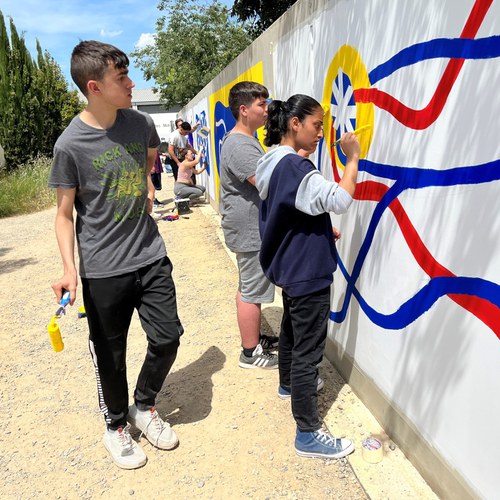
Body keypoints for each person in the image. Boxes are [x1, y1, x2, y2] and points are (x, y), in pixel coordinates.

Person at [48, 40, 183, 470]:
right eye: (121, 78)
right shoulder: (70, 145)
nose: (131, 83)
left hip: (150, 253)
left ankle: (144, 405)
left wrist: (143, 191)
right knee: (111, 354)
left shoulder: (140, 122)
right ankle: (116, 426)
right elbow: (65, 214)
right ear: (95, 86)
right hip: (104, 270)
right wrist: (70, 269)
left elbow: (147, 161)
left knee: (168, 337)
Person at [255, 94, 360, 459]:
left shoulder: (271, 162)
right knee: (308, 351)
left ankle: (287, 386)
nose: (321, 134)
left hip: (290, 265)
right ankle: (308, 433)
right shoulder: (296, 168)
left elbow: (288, 210)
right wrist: (352, 158)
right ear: (294, 123)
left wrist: (316, 227)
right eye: (317, 125)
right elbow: (342, 199)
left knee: (291, 331)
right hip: (307, 271)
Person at [220, 81, 279, 370]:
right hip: (249, 230)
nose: (267, 110)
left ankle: (252, 339)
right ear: (244, 110)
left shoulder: (243, 140)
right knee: (252, 291)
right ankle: (250, 353)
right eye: (261, 104)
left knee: (248, 286)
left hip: (246, 226)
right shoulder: (240, 144)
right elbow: (268, 184)